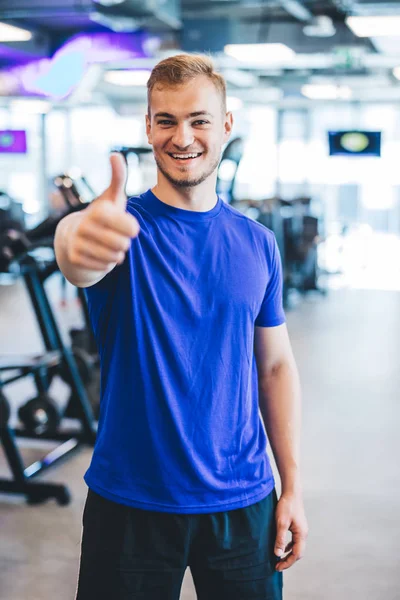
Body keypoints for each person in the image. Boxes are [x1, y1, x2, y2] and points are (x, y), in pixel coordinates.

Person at [54, 53, 308, 600]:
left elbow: (276, 366)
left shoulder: (257, 243)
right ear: (148, 126)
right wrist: (74, 238)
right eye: (165, 120)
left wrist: (292, 487)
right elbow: (78, 252)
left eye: (199, 120)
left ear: (225, 126)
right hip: (130, 502)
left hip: (244, 501)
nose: (182, 136)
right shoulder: (122, 230)